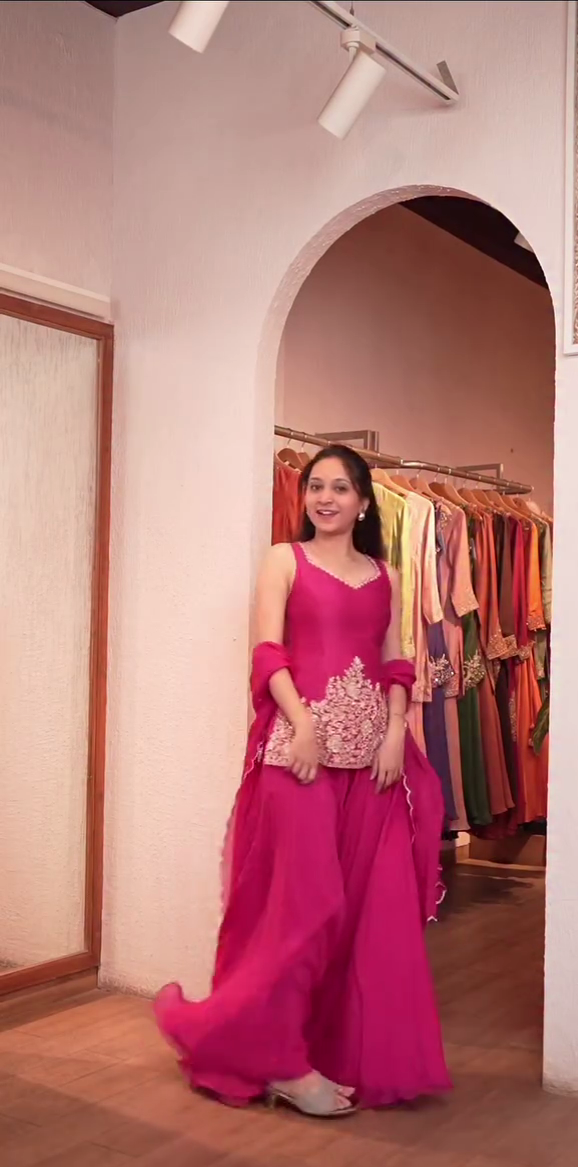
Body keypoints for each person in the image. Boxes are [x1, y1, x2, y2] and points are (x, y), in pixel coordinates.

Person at [155, 445, 451, 1116]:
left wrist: (397, 729)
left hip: (373, 762)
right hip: (300, 755)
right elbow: (267, 652)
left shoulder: (385, 575)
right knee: (301, 909)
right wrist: (302, 723)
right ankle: (281, 1064)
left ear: (364, 502)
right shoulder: (283, 560)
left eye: (339, 488)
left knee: (365, 914)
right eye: (315, 486)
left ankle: (336, 1053)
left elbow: (394, 659)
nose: (325, 497)